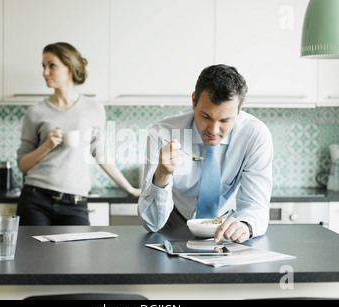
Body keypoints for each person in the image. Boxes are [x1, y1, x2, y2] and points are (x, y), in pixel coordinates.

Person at [138, 64, 273, 243]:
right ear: (194, 101)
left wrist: (246, 226)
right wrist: (162, 175)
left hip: (227, 225)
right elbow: (151, 224)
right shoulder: (164, 134)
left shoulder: (255, 136)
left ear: (240, 109)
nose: (213, 130)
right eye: (206, 116)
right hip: (174, 221)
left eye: (224, 120)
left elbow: (256, 205)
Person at [16, 42, 140, 225]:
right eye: (43, 66)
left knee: (79, 253)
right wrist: (47, 145)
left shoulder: (94, 108)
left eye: (52, 66)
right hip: (36, 198)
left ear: (70, 69)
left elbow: (101, 154)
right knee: (35, 254)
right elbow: (23, 165)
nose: (45, 72)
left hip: (75, 202)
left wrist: (130, 189)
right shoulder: (35, 112)